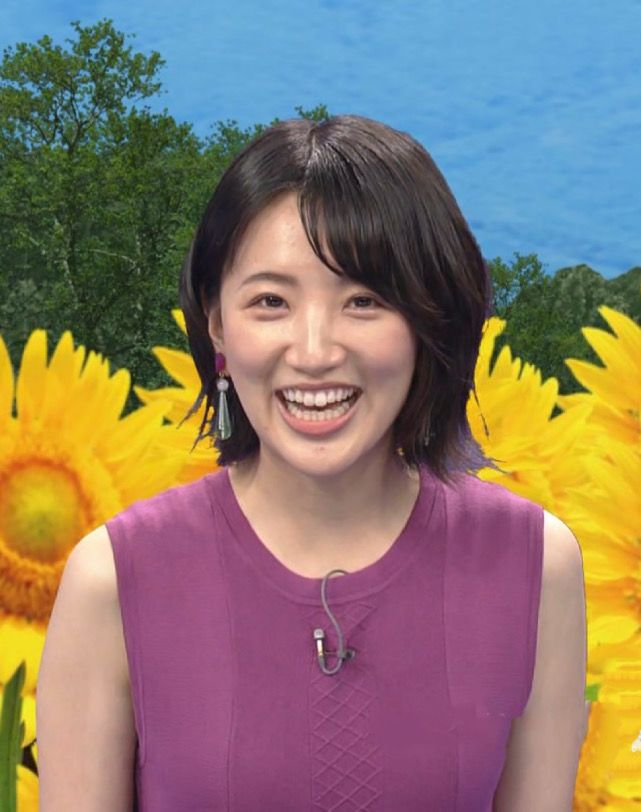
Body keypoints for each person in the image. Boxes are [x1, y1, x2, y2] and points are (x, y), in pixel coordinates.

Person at [36, 114, 588, 810]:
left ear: (432, 319)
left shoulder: (535, 565)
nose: (315, 351)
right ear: (216, 323)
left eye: (364, 300)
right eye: (270, 301)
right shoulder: (113, 581)